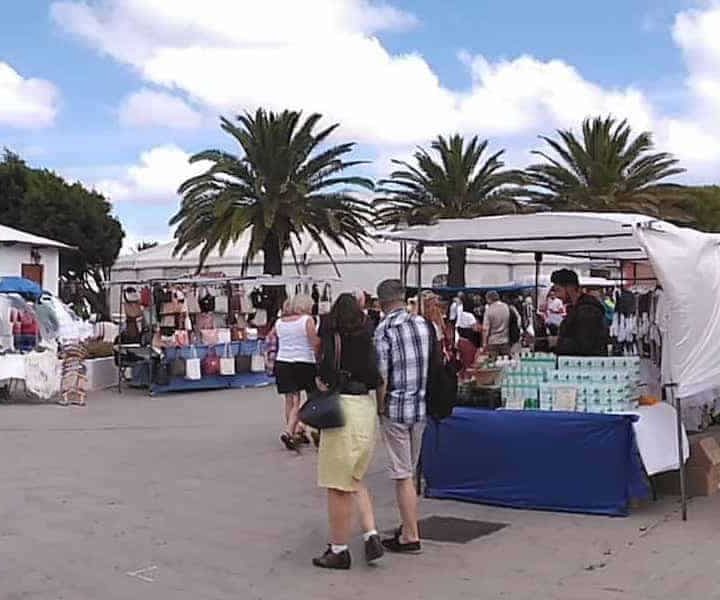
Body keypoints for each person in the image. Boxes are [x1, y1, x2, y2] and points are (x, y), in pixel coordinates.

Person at [312, 294, 384, 570]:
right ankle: (370, 533)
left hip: (343, 409)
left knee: (337, 485)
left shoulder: (334, 338)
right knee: (355, 476)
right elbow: (378, 378)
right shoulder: (368, 338)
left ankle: (339, 549)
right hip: (366, 408)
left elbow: (323, 373)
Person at [374, 279, 432, 555]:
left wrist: (379, 405)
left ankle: (411, 534)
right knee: (410, 469)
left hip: (396, 407)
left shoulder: (383, 329)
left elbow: (382, 375)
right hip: (419, 406)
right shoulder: (421, 324)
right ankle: (408, 525)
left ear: (381, 303)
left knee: (403, 474)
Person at [273, 294, 320, 451]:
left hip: (283, 361)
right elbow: (314, 343)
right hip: (304, 362)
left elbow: (273, 338)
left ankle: (294, 429)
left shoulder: (279, 322)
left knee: (291, 400)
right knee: (313, 397)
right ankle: (294, 429)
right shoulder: (307, 320)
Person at [551, 269, 609, 356]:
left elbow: (585, 345)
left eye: (558, 290)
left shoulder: (588, 311)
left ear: (570, 288)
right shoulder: (576, 309)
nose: (557, 296)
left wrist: (557, 342)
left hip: (587, 366)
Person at [482, 290, 511, 359]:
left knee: (494, 365)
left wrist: (484, 343)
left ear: (489, 299)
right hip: (505, 340)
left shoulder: (489, 310)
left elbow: (485, 329)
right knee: (506, 363)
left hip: (493, 341)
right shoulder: (506, 307)